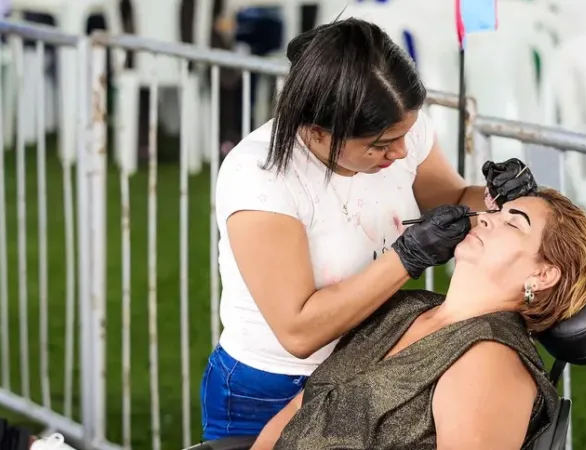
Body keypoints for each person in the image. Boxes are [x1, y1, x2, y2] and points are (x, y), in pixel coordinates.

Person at [201, 16, 537, 440]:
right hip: (273, 385)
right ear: (319, 133)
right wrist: (407, 257)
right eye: (379, 145)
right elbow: (299, 330)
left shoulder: (401, 132)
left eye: (406, 134)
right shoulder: (263, 178)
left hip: (365, 366)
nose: (399, 152)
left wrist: (502, 197)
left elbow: (450, 199)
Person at [247, 187, 586, 450]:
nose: (485, 220)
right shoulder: (404, 307)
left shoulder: (490, 363)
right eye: (494, 213)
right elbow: (304, 406)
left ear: (543, 275)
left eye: (513, 224)